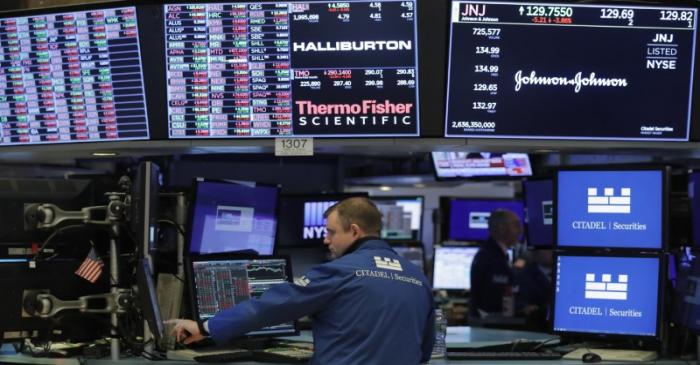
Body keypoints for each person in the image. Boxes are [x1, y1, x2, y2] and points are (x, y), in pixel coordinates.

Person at [167, 197, 435, 365]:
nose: (326, 240)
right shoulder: (417, 277)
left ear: (354, 231)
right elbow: (425, 348)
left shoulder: (340, 271)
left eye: (331, 232)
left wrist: (207, 326)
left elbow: (272, 306)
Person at [469, 209, 523, 318]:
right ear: (502, 228)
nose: (520, 230)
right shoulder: (489, 258)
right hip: (490, 325)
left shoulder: (491, 253)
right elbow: (494, 300)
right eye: (516, 225)